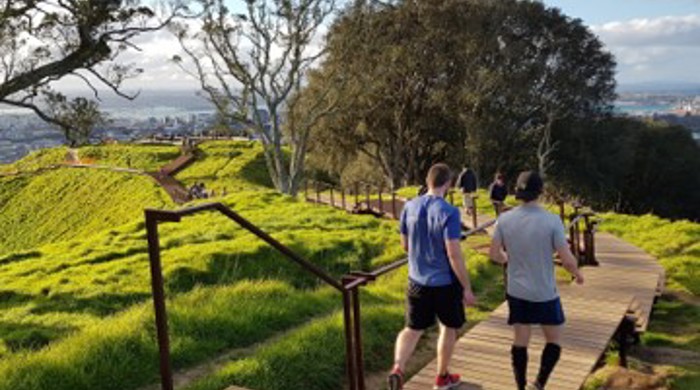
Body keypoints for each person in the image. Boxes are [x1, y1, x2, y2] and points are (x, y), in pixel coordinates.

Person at [489, 171, 584, 390]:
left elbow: (495, 254)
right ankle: (539, 383)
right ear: (540, 192)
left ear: (518, 193)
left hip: (516, 291)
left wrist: (507, 258)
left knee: (520, 339)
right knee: (554, 339)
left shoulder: (504, 219)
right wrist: (577, 274)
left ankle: (520, 386)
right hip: (544, 292)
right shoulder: (551, 221)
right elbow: (567, 259)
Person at [388, 163, 477, 390]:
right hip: (444, 284)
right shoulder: (449, 212)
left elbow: (405, 245)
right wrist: (466, 287)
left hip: (416, 281)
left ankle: (398, 367)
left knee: (412, 329)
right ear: (447, 184)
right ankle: (442, 377)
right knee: (448, 327)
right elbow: (454, 253)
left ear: (427, 181)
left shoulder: (409, 207)